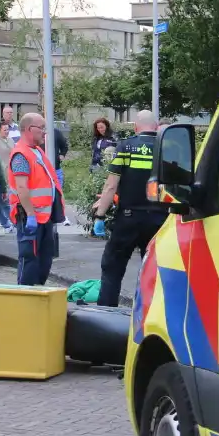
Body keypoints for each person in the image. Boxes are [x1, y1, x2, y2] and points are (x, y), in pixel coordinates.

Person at [92, 110, 168, 307]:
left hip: (128, 218)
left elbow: (110, 186)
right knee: (153, 272)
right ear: (156, 126)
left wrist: (100, 215)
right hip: (159, 221)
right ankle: (148, 315)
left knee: (113, 267)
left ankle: (105, 316)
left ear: (136, 126)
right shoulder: (166, 148)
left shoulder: (125, 147)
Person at [8, 113, 63, 286]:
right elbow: (22, 187)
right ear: (29, 129)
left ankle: (37, 296)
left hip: (44, 217)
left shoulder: (37, 151)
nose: (45, 133)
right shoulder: (21, 155)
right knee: (29, 258)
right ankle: (24, 299)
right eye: (41, 128)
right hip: (30, 217)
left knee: (44, 260)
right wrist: (31, 215)